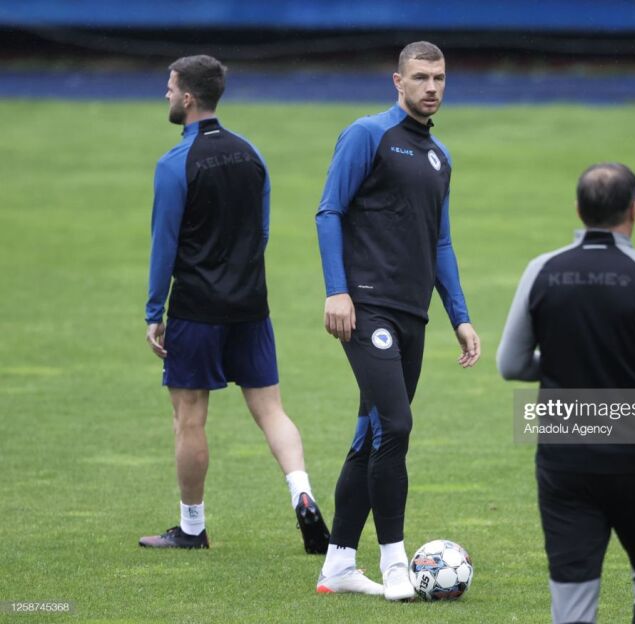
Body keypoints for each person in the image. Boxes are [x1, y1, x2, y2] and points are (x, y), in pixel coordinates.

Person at [497, 163, 635, 624]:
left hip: (566, 458)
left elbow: (511, 364)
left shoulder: (541, 270)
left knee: (572, 596)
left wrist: (560, 362)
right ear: (634, 209)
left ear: (578, 210)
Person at [140, 55, 329, 554]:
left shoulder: (174, 164)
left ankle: (192, 528)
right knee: (271, 410)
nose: (165, 94)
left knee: (189, 418)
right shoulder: (252, 154)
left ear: (188, 97)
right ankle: (302, 493)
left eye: (170, 87)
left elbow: (164, 245)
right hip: (251, 306)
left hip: (196, 309)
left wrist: (154, 312)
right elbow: (261, 232)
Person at [314, 41, 481, 599]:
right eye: (420, 77)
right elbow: (329, 211)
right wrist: (337, 292)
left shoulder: (440, 156)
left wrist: (460, 316)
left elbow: (442, 242)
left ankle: (338, 565)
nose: (431, 87)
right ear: (398, 81)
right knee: (397, 425)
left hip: (414, 314)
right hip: (367, 307)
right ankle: (393, 563)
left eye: (439, 78)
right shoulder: (368, 135)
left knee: (372, 433)